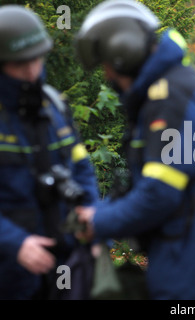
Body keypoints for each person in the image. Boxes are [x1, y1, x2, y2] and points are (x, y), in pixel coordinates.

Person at [74, 0, 195, 299]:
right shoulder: (172, 90)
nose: (108, 76)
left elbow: (159, 194)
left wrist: (98, 221)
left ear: (122, 54)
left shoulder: (170, 100)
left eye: (105, 65)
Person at [0, 5, 99, 299]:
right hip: (10, 273)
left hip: (64, 269)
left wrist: (93, 219)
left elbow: (82, 168)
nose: (31, 72)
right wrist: (14, 243)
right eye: (20, 65)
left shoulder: (54, 106)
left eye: (36, 60)